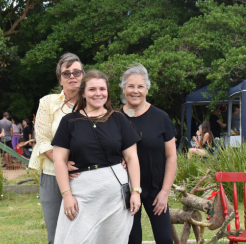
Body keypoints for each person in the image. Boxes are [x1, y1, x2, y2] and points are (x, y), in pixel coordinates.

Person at [52, 70, 141, 243]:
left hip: (115, 195)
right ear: (83, 93)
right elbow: (59, 160)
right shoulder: (69, 122)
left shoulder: (118, 119)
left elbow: (132, 158)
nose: (98, 93)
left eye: (102, 89)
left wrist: (136, 191)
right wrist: (67, 195)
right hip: (82, 194)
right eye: (92, 89)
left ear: (107, 92)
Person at [28, 53, 84, 244]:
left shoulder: (94, 100)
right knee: (56, 235)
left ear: (83, 75)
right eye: (66, 73)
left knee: (83, 232)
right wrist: (63, 163)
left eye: (76, 72)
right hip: (52, 175)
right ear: (60, 79)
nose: (72, 76)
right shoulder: (48, 102)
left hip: (84, 175)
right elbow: (42, 140)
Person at [118, 64, 177, 244]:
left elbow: (171, 156)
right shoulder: (114, 118)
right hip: (125, 190)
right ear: (123, 88)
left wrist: (165, 192)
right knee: (131, 239)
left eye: (140, 86)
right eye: (131, 86)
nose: (135, 91)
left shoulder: (161, 118)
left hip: (156, 188)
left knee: (165, 238)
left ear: (147, 89)